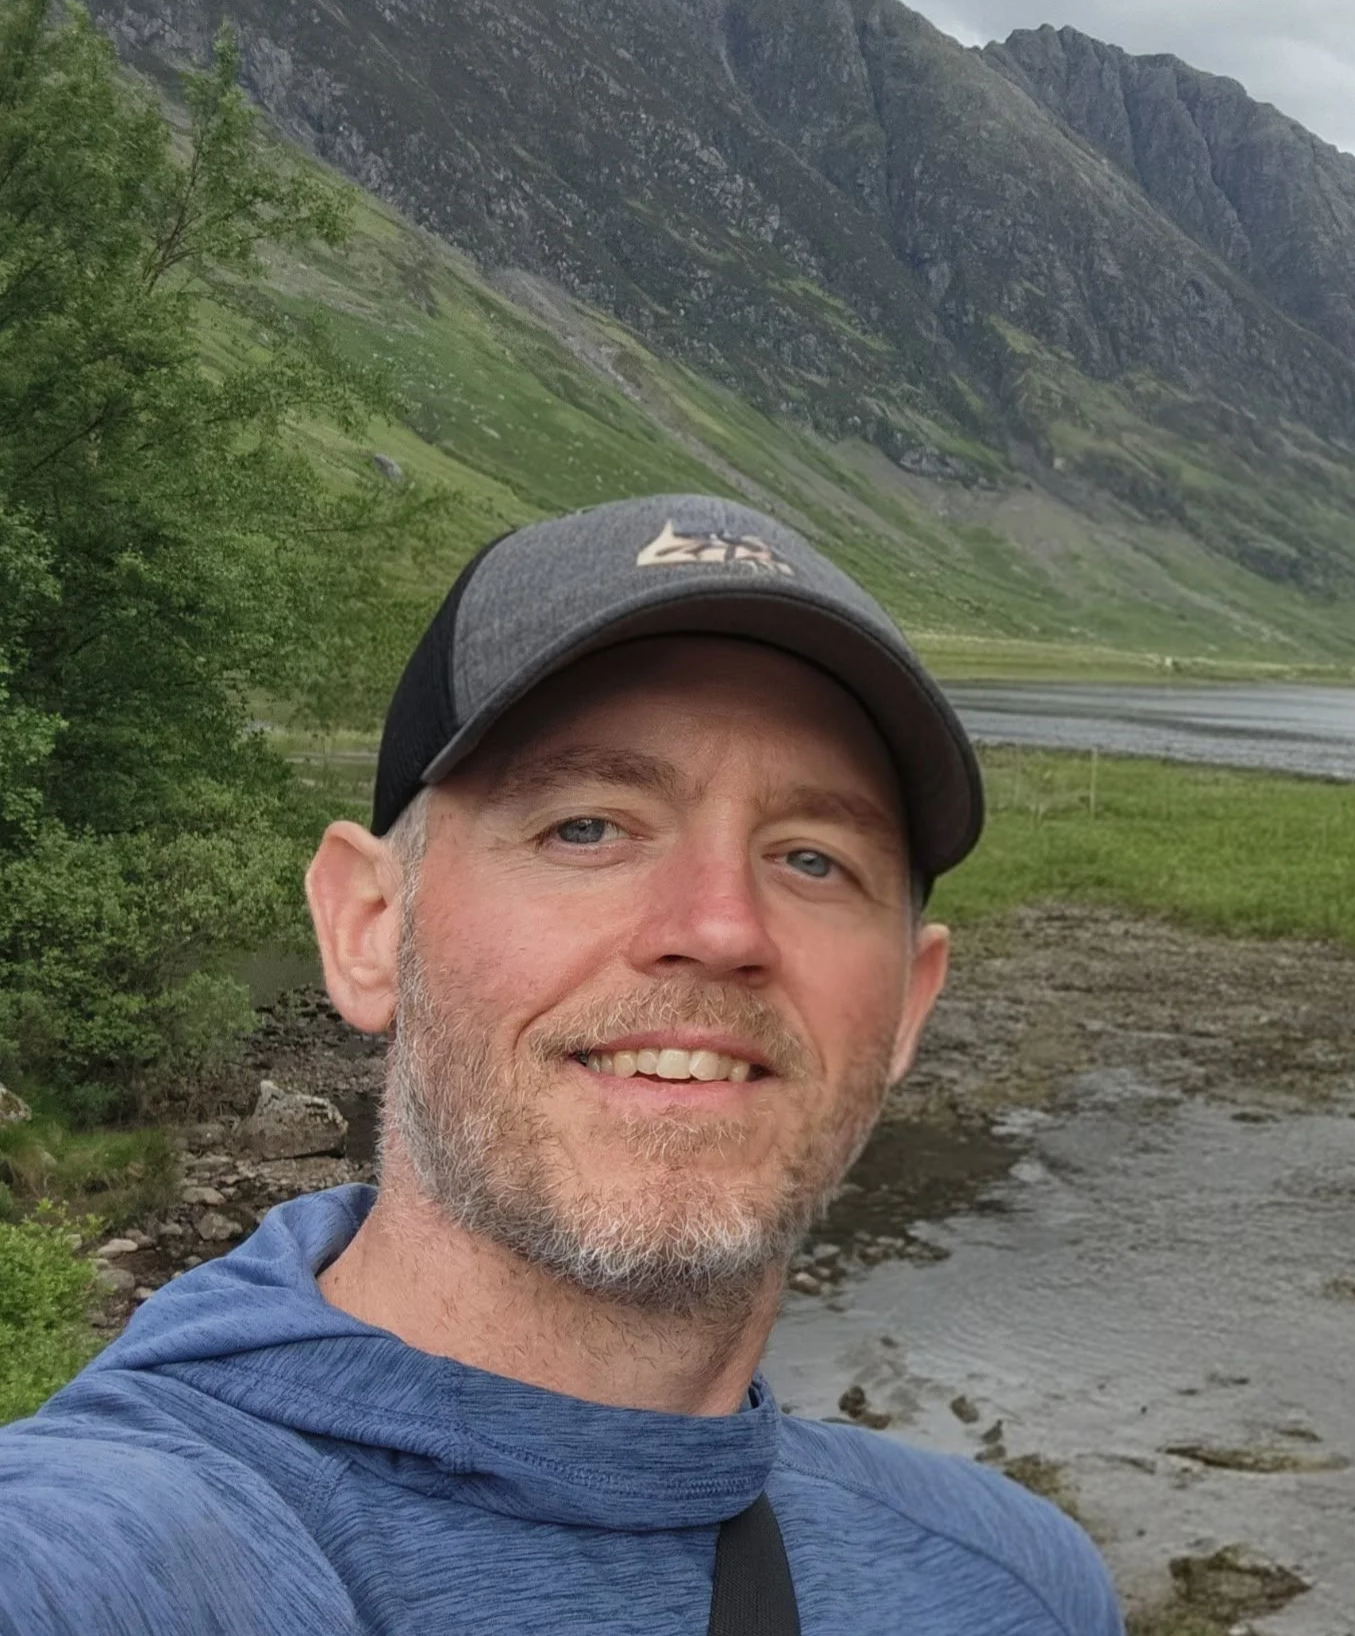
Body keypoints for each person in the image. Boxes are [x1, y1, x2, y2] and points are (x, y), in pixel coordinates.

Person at [0, 495, 1124, 1635]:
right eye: (585, 827)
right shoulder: (122, 1551)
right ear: (367, 928)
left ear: (905, 1006)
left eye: (811, 857)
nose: (721, 925)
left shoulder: (1018, 1588)